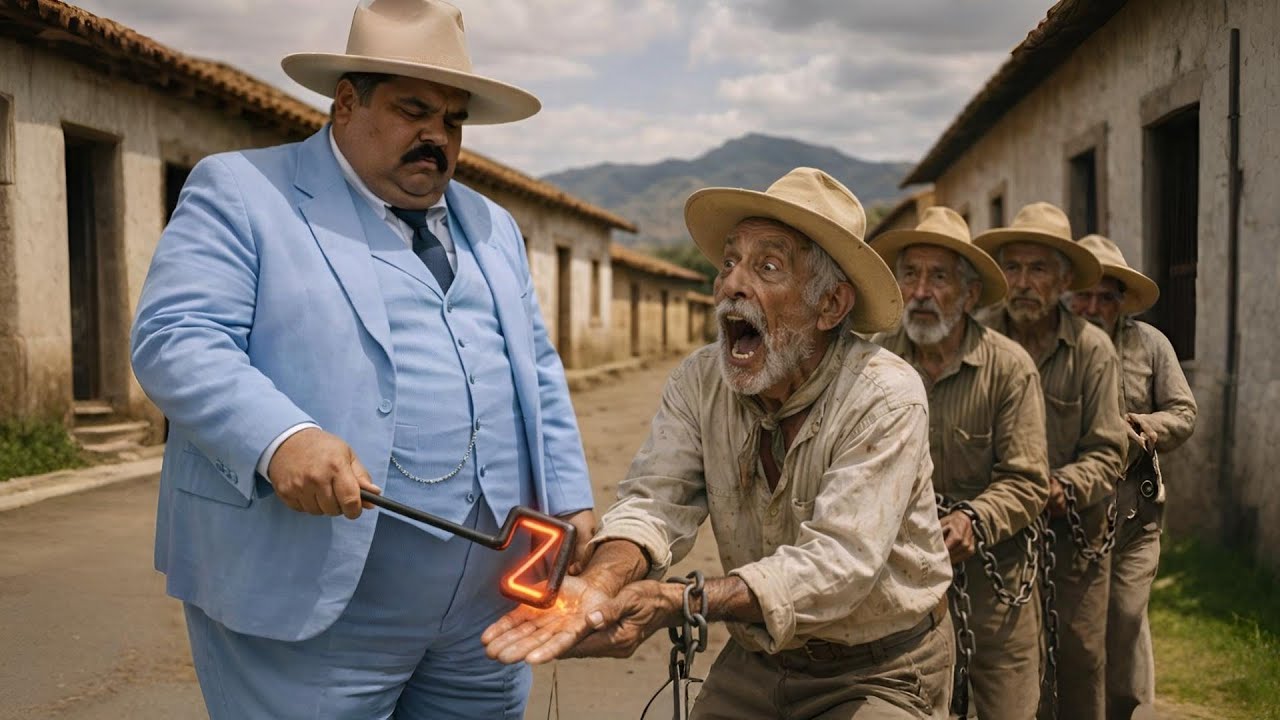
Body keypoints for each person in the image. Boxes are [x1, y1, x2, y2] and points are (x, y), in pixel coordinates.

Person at [129, 1, 595, 717]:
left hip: (490, 601)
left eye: (453, 120)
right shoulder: (246, 192)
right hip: (311, 596)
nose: (436, 137)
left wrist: (572, 501)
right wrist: (283, 437)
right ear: (346, 103)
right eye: (414, 110)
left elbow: (535, 366)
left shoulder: (491, 225)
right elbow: (177, 336)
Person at [483, 168, 956, 719]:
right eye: (730, 262)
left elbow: (840, 564)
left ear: (830, 306)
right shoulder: (700, 380)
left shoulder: (885, 395)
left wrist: (679, 601)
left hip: (881, 669)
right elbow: (655, 501)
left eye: (768, 267)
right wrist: (601, 584)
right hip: (762, 658)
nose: (731, 284)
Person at [870, 206, 1049, 720]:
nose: (921, 291)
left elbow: (1027, 478)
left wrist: (974, 518)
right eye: (910, 275)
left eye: (939, 277)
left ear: (970, 295)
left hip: (998, 592)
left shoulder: (1010, 367)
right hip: (897, 592)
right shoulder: (871, 364)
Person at [973, 202, 1128, 720]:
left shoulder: (1093, 350)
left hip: (1074, 533)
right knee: (994, 664)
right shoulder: (978, 343)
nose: (1021, 282)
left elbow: (1109, 451)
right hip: (996, 537)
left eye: (1037, 268)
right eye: (1012, 268)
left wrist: (1062, 486)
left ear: (1063, 278)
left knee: (1081, 657)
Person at [1067, 234, 1197, 720]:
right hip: (1067, 518)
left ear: (1122, 300)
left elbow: (1184, 412)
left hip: (1133, 515)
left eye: (1107, 296)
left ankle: (1124, 708)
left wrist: (1146, 424)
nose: (1095, 305)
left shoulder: (1150, 344)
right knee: (1070, 630)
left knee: (1123, 615)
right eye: (1086, 294)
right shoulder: (1053, 347)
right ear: (1070, 294)